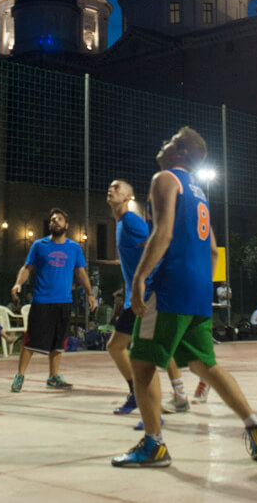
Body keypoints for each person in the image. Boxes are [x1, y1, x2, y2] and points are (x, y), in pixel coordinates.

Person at [113, 126, 257, 468]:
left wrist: (141, 276)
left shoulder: (165, 179)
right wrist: (201, 278)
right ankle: (255, 427)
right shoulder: (199, 192)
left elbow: (164, 232)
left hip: (170, 286)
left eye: (170, 140)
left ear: (183, 152)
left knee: (141, 364)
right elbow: (214, 250)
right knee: (206, 365)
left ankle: (154, 445)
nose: (162, 142)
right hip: (198, 291)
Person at [105, 179, 189, 418]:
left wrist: (149, 280)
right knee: (119, 347)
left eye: (118, 188)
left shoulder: (131, 220)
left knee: (143, 353)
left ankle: (155, 409)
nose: (112, 190)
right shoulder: (121, 223)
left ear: (129, 198)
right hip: (138, 297)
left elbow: (156, 243)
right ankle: (156, 396)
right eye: (110, 187)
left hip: (147, 295)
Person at [9, 207, 96, 392]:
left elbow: (81, 272)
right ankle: (19, 376)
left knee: (58, 342)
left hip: (63, 302)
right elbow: (26, 268)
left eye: (59, 219)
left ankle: (53, 377)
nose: (55, 222)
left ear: (67, 225)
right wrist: (18, 284)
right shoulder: (39, 245)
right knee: (31, 341)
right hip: (42, 301)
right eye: (52, 220)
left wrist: (89, 293)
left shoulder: (74, 248)